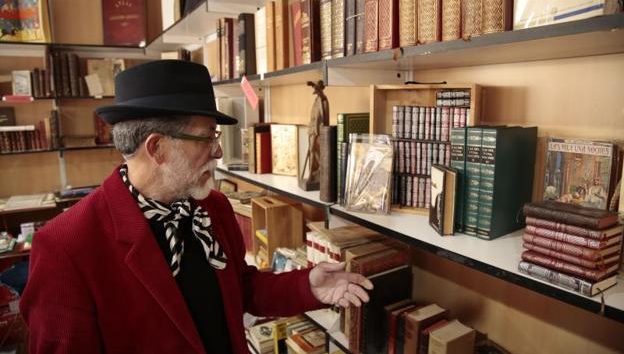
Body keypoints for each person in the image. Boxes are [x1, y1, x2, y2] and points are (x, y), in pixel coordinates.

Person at [20, 60, 373, 354]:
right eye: (207, 136)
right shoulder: (67, 246)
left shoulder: (213, 207)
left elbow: (242, 289)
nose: (218, 151)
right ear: (157, 148)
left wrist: (308, 286)